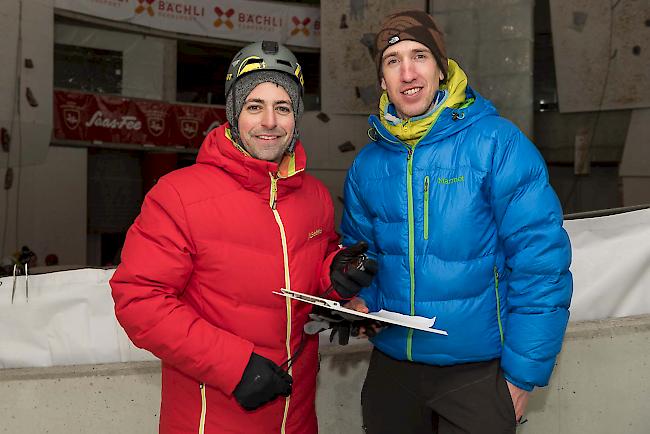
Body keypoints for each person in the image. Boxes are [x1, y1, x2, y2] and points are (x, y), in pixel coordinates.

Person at [110, 41, 375, 434]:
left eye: (282, 107)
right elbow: (139, 301)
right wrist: (234, 367)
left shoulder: (314, 196)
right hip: (214, 417)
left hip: (296, 418)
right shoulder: (178, 195)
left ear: (296, 117)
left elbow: (302, 287)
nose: (269, 121)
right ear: (234, 113)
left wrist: (332, 277)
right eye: (254, 106)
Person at [341, 10, 573, 434]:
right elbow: (362, 255)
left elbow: (541, 264)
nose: (407, 72)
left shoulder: (496, 144)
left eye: (419, 56)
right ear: (382, 81)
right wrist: (360, 301)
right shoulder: (367, 165)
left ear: (442, 70)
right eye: (393, 61)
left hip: (476, 374)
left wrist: (522, 377)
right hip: (393, 372)